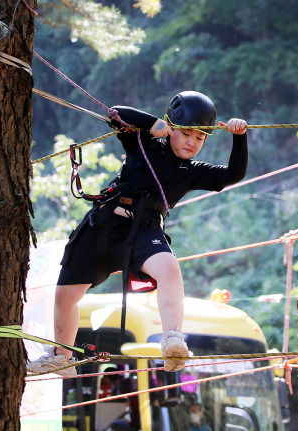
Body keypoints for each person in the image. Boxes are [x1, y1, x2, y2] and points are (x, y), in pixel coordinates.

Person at [27, 91, 248, 376]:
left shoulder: (192, 171)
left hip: (144, 231)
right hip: (103, 225)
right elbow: (116, 113)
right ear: (171, 128)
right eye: (186, 134)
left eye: (200, 138)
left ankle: (173, 341)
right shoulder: (144, 142)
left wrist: (239, 136)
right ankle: (61, 356)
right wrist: (153, 123)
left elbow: (232, 174)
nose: (192, 142)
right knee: (65, 296)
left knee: (168, 267)